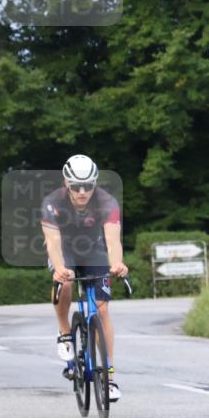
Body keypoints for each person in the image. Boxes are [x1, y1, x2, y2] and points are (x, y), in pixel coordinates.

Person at [41, 154, 128, 401]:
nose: (82, 191)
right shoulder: (52, 202)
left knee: (102, 311)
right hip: (64, 249)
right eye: (76, 186)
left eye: (88, 186)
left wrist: (117, 263)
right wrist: (59, 268)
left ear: (95, 183)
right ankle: (65, 331)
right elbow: (53, 242)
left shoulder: (107, 202)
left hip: (93, 250)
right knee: (65, 281)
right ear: (66, 182)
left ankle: (109, 378)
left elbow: (113, 240)